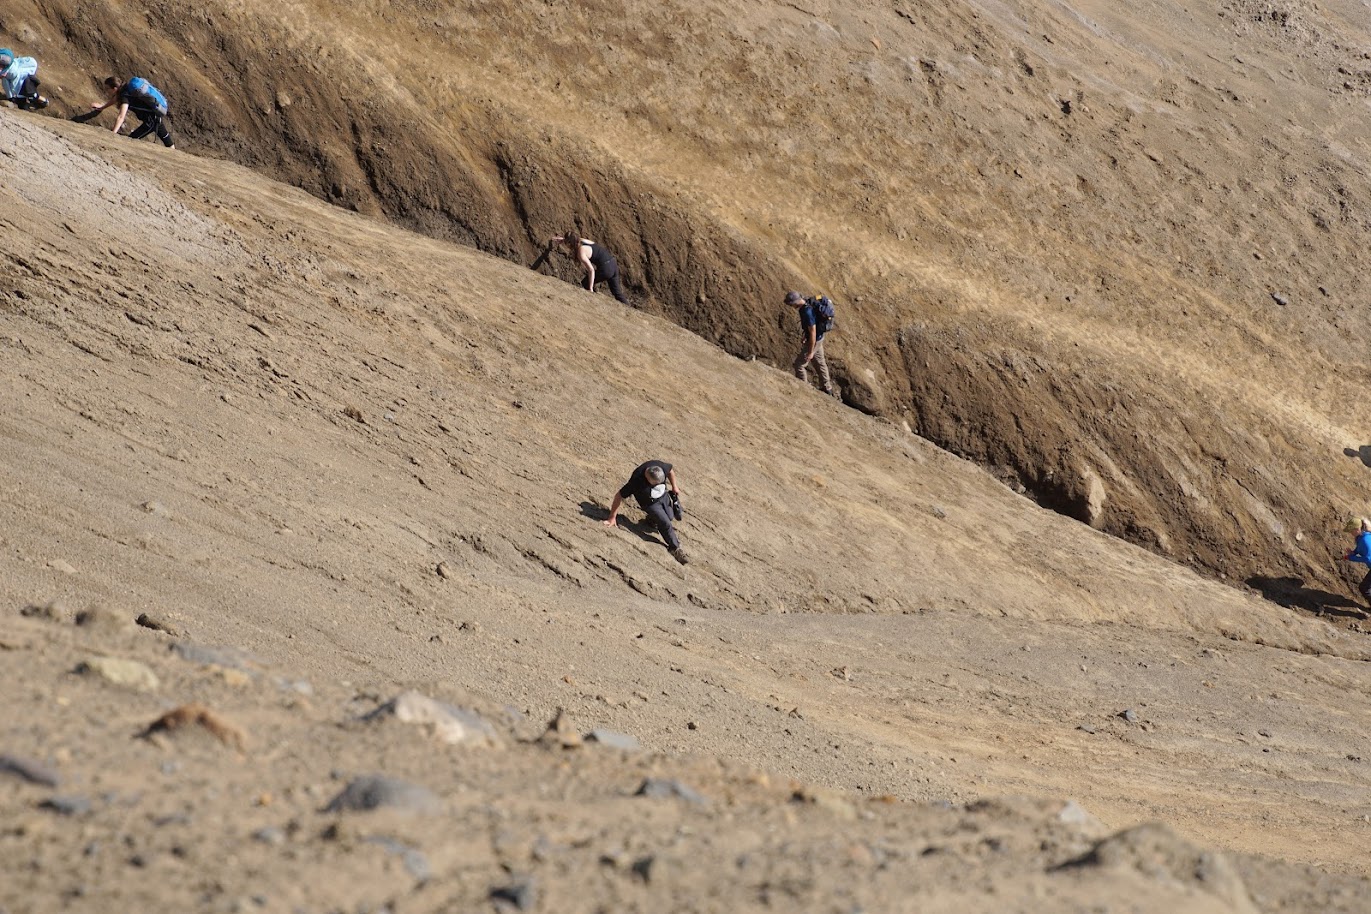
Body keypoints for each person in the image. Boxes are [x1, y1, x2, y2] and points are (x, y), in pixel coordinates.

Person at [604, 460, 688, 564]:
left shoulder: (659, 467)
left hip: (662, 495)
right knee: (665, 522)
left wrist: (674, 486)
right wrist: (612, 517)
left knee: (670, 516)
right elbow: (618, 496)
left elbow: (670, 470)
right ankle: (675, 548)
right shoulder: (636, 481)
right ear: (648, 478)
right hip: (650, 503)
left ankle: (652, 520)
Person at [91, 76, 175, 148]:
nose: (106, 91)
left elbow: (121, 117)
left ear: (114, 89)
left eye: (107, 89)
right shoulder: (126, 88)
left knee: (131, 139)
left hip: (150, 122)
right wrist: (102, 107)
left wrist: (113, 134)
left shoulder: (125, 97)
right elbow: (115, 99)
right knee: (169, 143)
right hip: (155, 117)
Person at [550, 231, 629, 303]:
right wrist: (563, 239)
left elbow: (591, 270)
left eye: (567, 243)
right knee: (617, 293)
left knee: (585, 283)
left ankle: (593, 299)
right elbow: (573, 239)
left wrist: (590, 288)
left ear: (570, 243)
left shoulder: (581, 252)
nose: (566, 246)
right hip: (613, 263)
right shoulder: (583, 240)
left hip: (606, 269)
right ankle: (628, 307)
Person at [786, 290, 835, 396]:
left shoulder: (807, 311)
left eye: (791, 304)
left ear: (795, 302)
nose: (791, 306)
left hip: (815, 340)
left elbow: (813, 332)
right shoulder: (806, 303)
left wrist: (810, 351)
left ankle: (803, 389)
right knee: (820, 363)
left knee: (799, 365)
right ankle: (827, 388)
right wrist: (805, 335)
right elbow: (809, 329)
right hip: (819, 338)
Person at [1345, 518, 1371, 610]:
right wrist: (1353, 552)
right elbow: (1360, 549)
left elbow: (1368, 558)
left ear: (1357, 529)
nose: (1350, 533)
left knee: (1364, 588)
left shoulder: (1365, 540)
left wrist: (1351, 558)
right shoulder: (1362, 537)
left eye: (1351, 530)